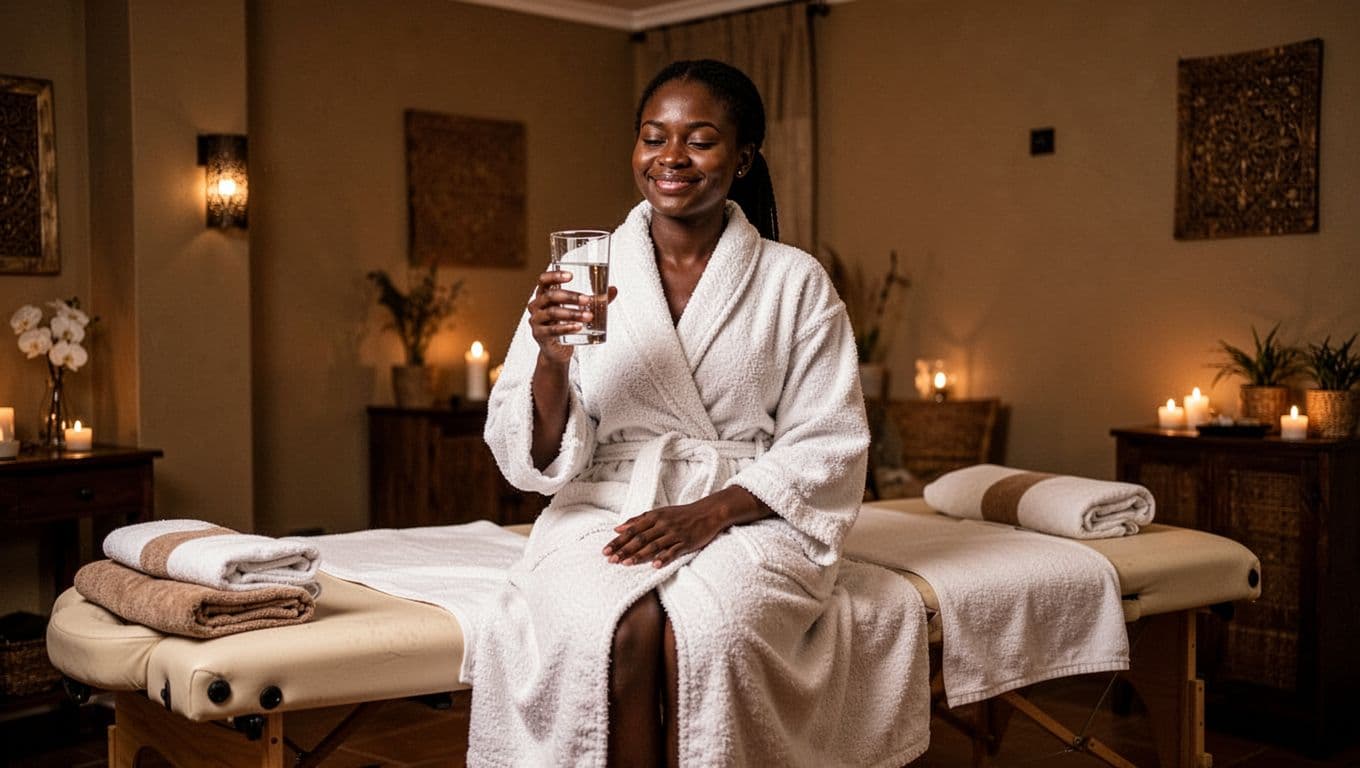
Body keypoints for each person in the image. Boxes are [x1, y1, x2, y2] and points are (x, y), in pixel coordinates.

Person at [472, 60, 929, 767]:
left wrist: (707, 513)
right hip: (607, 501)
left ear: (743, 158)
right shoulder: (583, 271)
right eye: (654, 138)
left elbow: (828, 443)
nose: (671, 158)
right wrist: (552, 358)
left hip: (751, 510)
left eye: (700, 139)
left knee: (706, 633)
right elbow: (529, 454)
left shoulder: (794, 281)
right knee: (615, 626)